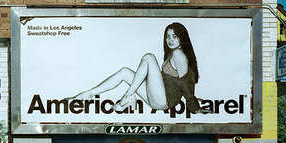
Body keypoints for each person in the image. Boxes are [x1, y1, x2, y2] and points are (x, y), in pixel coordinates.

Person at [71, 22, 206, 114]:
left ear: (182, 38)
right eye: (167, 37)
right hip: (159, 95)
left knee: (149, 57)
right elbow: (177, 79)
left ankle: (127, 97)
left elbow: (184, 83)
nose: (170, 40)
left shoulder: (178, 54)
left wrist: (194, 106)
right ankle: (87, 94)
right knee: (125, 72)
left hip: (164, 100)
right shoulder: (173, 53)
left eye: (174, 37)